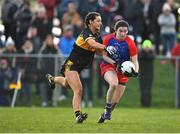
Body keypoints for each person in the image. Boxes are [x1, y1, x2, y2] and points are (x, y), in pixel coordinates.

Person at [45, 12, 115, 123]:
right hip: (71, 64)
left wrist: (112, 54)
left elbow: (98, 51)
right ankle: (78, 116)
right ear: (90, 22)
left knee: (67, 84)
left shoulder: (97, 35)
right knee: (78, 90)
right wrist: (106, 47)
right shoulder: (86, 32)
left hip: (79, 67)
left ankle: (52, 79)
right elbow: (92, 44)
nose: (100, 23)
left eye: (100, 21)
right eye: (98, 20)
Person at [98, 20, 139, 123]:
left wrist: (136, 71)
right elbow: (104, 56)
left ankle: (104, 116)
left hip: (123, 70)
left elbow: (135, 60)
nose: (123, 33)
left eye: (125, 31)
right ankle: (107, 109)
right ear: (115, 30)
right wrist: (115, 64)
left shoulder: (130, 43)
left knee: (115, 101)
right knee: (113, 84)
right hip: (108, 65)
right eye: (121, 31)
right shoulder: (108, 39)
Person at [138, 39, 155, 107]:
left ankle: (148, 104)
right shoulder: (141, 53)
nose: (147, 48)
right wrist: (143, 51)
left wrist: (149, 51)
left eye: (148, 47)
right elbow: (141, 56)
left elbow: (152, 56)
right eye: (146, 47)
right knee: (142, 90)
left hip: (149, 75)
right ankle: (143, 104)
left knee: (148, 90)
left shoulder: (151, 53)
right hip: (142, 75)